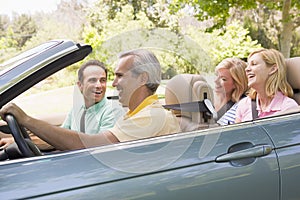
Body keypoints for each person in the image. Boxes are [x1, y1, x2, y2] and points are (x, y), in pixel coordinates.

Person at [0, 49, 181, 151]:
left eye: (119, 76)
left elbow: (88, 145)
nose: (114, 83)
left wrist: (26, 119)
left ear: (142, 79)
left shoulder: (150, 117)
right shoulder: (138, 115)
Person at [61, 59, 124, 133]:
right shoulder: (76, 109)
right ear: (80, 85)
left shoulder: (113, 110)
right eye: (92, 80)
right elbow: (61, 134)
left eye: (103, 80)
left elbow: (101, 143)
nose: (99, 85)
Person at [235, 48, 298, 122]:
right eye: (248, 65)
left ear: (273, 69)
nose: (247, 69)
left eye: (254, 64)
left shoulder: (288, 107)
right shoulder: (244, 104)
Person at [214, 57, 248, 125]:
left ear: (236, 84)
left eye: (223, 79)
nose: (215, 81)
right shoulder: (207, 101)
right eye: (216, 75)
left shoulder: (240, 107)